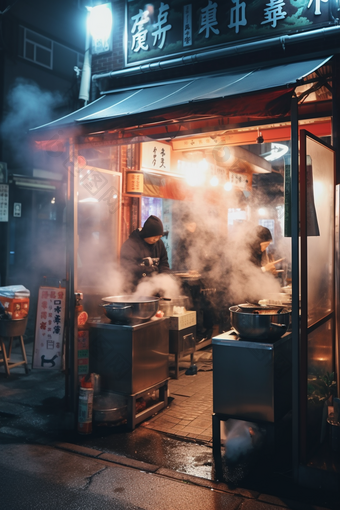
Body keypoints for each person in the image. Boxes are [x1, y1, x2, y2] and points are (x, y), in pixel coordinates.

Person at [120, 215, 170, 290]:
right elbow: (127, 267)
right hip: (134, 288)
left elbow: (164, 263)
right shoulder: (130, 245)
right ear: (148, 233)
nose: (156, 239)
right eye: (155, 236)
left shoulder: (160, 244)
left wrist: (165, 277)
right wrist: (146, 270)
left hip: (154, 288)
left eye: (159, 237)